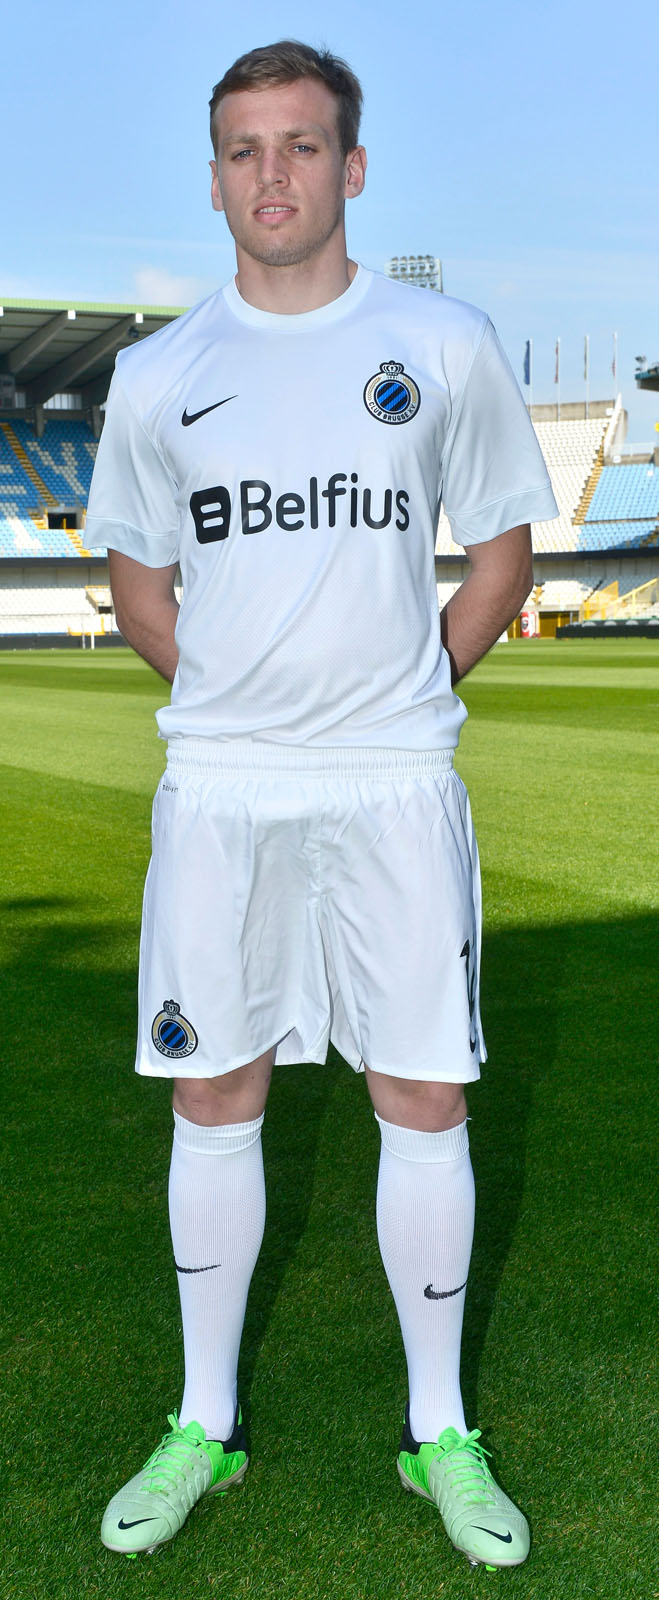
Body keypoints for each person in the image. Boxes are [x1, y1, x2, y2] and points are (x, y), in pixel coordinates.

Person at [85, 39, 558, 1571]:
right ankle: (203, 1421)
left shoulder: (444, 343)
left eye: (300, 145)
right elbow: (140, 584)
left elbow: (501, 552)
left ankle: (441, 1432)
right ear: (215, 175)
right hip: (222, 789)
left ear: (352, 167)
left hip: (395, 783)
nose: (271, 174)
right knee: (212, 1095)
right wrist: (245, 700)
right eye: (244, 149)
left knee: (424, 1096)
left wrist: (404, 689)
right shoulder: (159, 375)